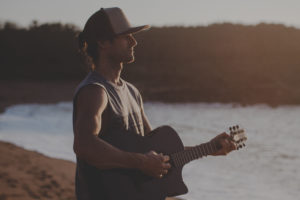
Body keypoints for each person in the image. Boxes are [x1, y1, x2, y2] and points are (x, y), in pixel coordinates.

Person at [72, 7, 236, 200]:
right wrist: (141, 163)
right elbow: (84, 144)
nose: (134, 41)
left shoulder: (131, 92)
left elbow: (159, 156)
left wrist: (208, 148)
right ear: (102, 42)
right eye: (126, 36)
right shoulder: (95, 91)